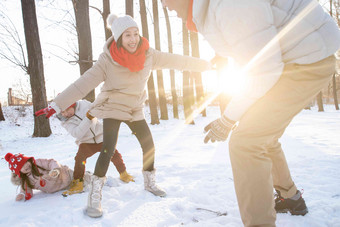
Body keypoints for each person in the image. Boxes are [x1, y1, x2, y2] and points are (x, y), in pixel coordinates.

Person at [161, 0, 340, 226]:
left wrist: (227, 120)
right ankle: (290, 197)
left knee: (246, 142)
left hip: (307, 61)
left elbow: (264, 70)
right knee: (259, 134)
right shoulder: (213, 7)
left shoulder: (228, 5)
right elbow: (251, 34)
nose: (164, 6)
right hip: (297, 58)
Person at [34, 14, 212, 218]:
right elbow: (82, 83)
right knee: (108, 148)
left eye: (136, 34)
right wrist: (58, 105)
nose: (133, 39)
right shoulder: (107, 60)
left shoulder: (148, 54)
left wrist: (207, 65)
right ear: (119, 37)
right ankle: (95, 196)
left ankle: (150, 183)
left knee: (149, 146)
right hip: (112, 106)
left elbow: (177, 60)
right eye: (127, 35)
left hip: (134, 107)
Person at [55, 100, 134, 197]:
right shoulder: (66, 122)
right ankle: (78, 183)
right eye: (62, 112)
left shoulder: (84, 104)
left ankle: (123, 173)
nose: (66, 114)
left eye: (67, 110)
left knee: (114, 154)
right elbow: (77, 133)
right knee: (80, 159)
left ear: (72, 105)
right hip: (86, 142)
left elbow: (98, 109)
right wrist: (88, 118)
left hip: (101, 137)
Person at [4, 152, 88, 201]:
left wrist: (55, 170)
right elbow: (26, 190)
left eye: (25, 162)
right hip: (62, 187)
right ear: (19, 171)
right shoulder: (26, 180)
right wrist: (22, 195)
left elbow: (51, 162)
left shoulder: (37, 163)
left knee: (84, 178)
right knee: (79, 185)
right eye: (21, 166)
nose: (26, 166)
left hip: (66, 174)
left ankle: (96, 178)